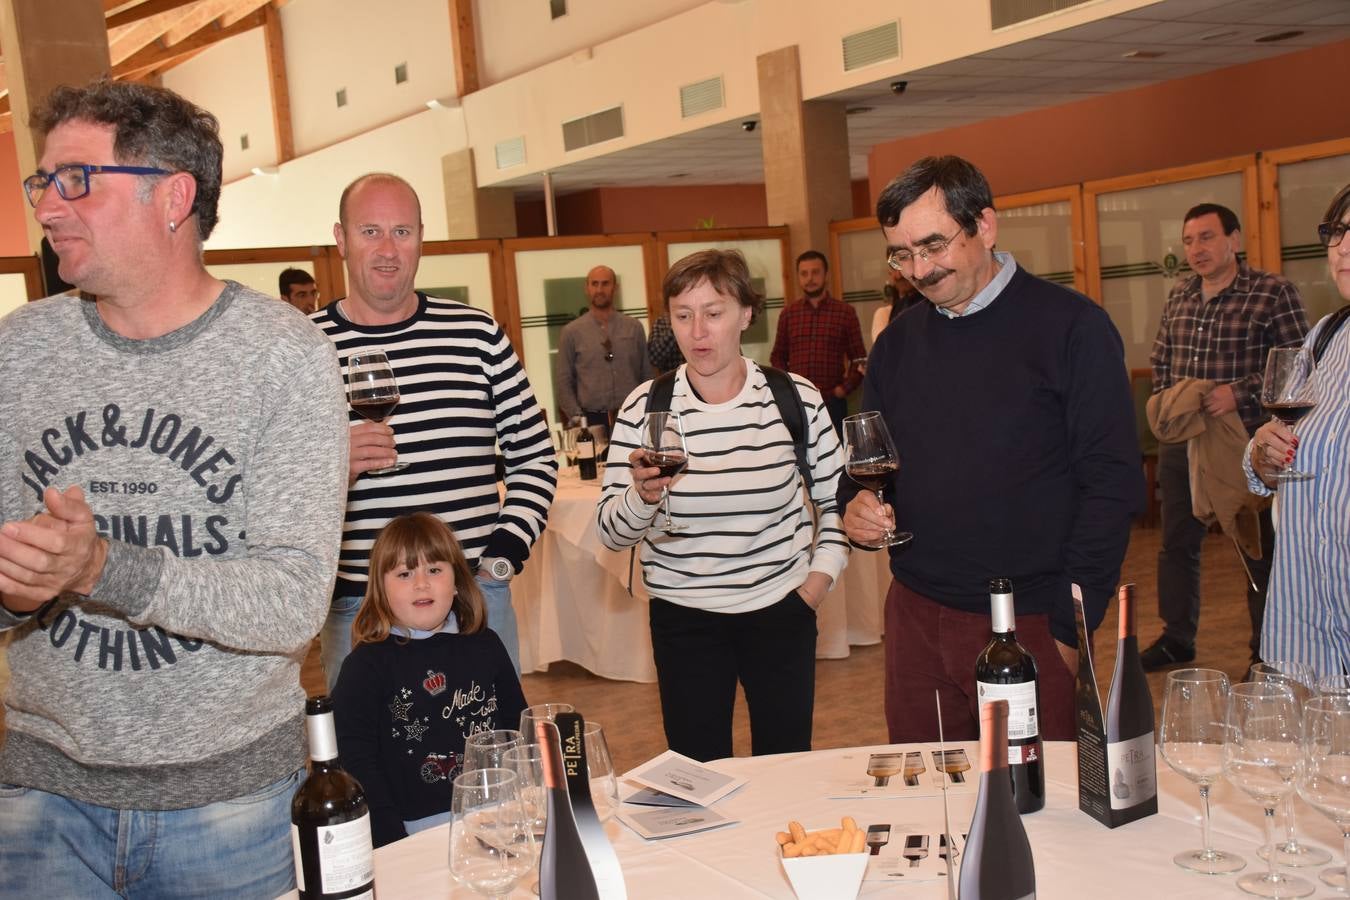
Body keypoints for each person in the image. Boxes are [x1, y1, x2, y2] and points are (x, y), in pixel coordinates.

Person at [0, 80, 348, 897]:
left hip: (229, 809)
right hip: (42, 798)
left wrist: (98, 569)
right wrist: (21, 588)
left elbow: (293, 603)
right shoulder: (17, 355)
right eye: (40, 183)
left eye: (75, 179)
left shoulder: (283, 357)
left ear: (174, 196)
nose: (48, 209)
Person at [840, 155, 1141, 744]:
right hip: (916, 617)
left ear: (986, 225)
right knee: (930, 802)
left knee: (1037, 808)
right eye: (901, 254)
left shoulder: (1072, 328)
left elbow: (1111, 486)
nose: (919, 270)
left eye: (932, 245)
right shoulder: (897, 343)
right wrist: (854, 506)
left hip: (1029, 619)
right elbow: (866, 467)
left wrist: (1069, 624)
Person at [596, 249, 849, 762]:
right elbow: (610, 531)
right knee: (696, 774)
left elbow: (836, 503)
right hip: (684, 617)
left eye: (713, 313)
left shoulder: (793, 398)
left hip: (781, 609)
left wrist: (813, 588)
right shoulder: (646, 406)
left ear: (746, 315)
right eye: (683, 316)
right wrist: (642, 497)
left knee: (786, 766)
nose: (698, 332)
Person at [311, 172, 556, 687]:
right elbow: (266, 488)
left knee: (495, 754)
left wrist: (501, 561)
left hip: (472, 596)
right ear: (340, 238)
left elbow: (534, 456)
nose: (387, 249)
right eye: (369, 231)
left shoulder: (477, 335)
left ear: (422, 238)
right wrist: (328, 470)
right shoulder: (303, 350)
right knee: (363, 763)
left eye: (402, 232)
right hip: (359, 606)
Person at [1143, 203, 1308, 671]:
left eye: (1207, 237)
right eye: (1189, 240)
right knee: (1177, 544)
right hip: (1186, 444)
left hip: (1250, 445)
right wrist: (1172, 401)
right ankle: (1177, 639)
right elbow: (1161, 360)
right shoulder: (1179, 296)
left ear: (1234, 240)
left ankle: (1266, 653)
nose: (1196, 249)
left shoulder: (1272, 293)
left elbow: (1298, 364)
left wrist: (1237, 394)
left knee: (1257, 548)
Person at [332, 512, 527, 848]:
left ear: (456, 581)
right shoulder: (364, 666)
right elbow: (356, 761)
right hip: (411, 834)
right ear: (380, 589)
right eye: (405, 573)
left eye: (434, 570)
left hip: (498, 818)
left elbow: (518, 728)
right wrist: (389, 837)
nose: (421, 584)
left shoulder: (487, 645)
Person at [1244, 184, 1350, 678]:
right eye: (1337, 231)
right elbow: (1273, 450)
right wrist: (1262, 456)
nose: (1343, 247)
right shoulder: (1325, 336)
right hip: (1312, 612)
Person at [770, 250, 866, 436]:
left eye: (815, 272)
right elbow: (777, 356)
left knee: (835, 458)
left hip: (832, 401)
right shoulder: (789, 314)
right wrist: (788, 386)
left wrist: (843, 389)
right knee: (799, 457)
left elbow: (859, 359)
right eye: (804, 273)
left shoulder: (845, 312)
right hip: (797, 401)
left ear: (826, 275)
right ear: (798, 277)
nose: (810, 278)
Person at [555, 265, 652, 427]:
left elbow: (646, 374)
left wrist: (647, 409)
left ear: (616, 287)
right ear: (587, 288)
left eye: (605, 283)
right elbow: (563, 380)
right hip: (590, 419)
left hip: (632, 415)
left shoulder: (634, 327)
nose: (600, 289)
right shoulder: (571, 331)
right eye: (594, 284)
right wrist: (577, 417)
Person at [871, 265, 923, 342]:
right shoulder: (896, 307)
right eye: (894, 268)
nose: (898, 275)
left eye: (903, 266)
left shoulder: (930, 302)